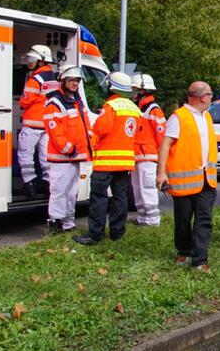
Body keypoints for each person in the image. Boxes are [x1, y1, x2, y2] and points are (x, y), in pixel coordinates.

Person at [156, 82, 217, 272]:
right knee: (183, 220)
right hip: (184, 180)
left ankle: (200, 260)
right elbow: (165, 145)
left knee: (204, 220)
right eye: (210, 94)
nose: (211, 98)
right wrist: (161, 173)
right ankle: (183, 251)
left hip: (207, 178)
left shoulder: (207, 116)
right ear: (202, 97)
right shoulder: (179, 117)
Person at [74, 72, 141, 245]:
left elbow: (101, 128)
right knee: (120, 197)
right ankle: (117, 232)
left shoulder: (111, 105)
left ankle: (95, 234)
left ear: (112, 86)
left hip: (106, 161)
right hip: (125, 162)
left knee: (99, 197)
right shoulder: (135, 108)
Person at [43, 65, 93, 234]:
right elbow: (55, 131)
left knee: (72, 192)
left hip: (76, 157)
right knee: (59, 191)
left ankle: (68, 222)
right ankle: (55, 223)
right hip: (62, 158)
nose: (75, 84)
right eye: (72, 80)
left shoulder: (77, 101)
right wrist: (68, 148)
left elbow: (86, 128)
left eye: (77, 81)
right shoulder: (54, 102)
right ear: (63, 81)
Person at [18, 44, 57, 197]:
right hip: (47, 124)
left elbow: (24, 102)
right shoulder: (54, 78)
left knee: (25, 155)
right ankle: (48, 185)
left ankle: (30, 185)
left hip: (32, 124)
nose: (29, 61)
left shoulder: (35, 79)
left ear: (41, 61)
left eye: (32, 58)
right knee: (45, 157)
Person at [131, 73, 166, 226]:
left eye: (135, 89)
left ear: (143, 91)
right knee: (138, 190)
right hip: (137, 157)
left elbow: (161, 135)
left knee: (147, 189)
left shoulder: (153, 109)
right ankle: (143, 218)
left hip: (148, 157)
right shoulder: (139, 108)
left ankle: (152, 220)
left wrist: (162, 160)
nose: (132, 93)